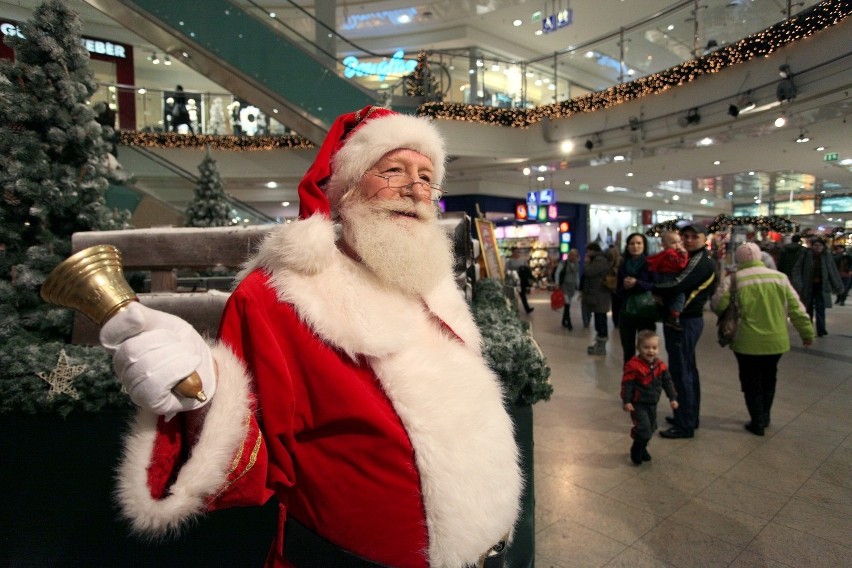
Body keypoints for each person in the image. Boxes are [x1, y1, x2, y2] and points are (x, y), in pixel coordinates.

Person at [98, 106, 522, 567]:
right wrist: (198, 392)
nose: (415, 188)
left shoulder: (431, 289)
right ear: (345, 190)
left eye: (426, 175)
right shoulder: (281, 296)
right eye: (393, 170)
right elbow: (248, 450)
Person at [711, 243, 814, 436]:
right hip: (776, 341)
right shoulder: (780, 278)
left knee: (751, 381)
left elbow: (717, 305)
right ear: (760, 257)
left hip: (746, 342)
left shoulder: (733, 280)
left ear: (739, 259)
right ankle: (765, 416)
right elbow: (797, 310)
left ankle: (757, 422)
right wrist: (807, 333)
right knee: (769, 377)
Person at [655, 220, 717, 439]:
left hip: (686, 321)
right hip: (686, 320)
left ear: (704, 239)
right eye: (686, 236)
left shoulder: (701, 262)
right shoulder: (693, 257)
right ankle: (687, 415)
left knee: (682, 373)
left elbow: (677, 285)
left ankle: (685, 424)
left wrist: (650, 288)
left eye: (694, 237)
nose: (689, 240)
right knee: (687, 370)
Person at [621, 330, 678, 464]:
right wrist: (627, 401)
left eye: (654, 348)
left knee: (651, 428)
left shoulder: (660, 366)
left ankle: (643, 448)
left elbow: (668, 382)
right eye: (646, 347)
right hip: (638, 403)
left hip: (652, 403)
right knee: (644, 428)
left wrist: (673, 398)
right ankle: (636, 448)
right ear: (638, 348)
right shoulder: (633, 365)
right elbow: (627, 384)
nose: (650, 351)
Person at [616, 233, 656, 365]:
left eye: (639, 243)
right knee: (627, 348)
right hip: (627, 311)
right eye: (632, 243)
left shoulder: (650, 264)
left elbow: (654, 285)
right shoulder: (623, 265)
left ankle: (646, 376)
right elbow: (618, 290)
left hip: (645, 310)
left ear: (644, 245)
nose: (635, 246)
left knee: (647, 346)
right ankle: (630, 376)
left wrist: (637, 282)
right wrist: (626, 286)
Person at [790, 237, 843, 337]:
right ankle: (809, 328)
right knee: (808, 308)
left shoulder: (826, 256)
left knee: (820, 308)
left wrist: (837, 286)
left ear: (823, 247)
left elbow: (832, 271)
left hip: (821, 286)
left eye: (820, 245)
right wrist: (798, 283)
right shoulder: (806, 255)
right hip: (808, 286)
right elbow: (797, 269)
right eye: (815, 245)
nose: (817, 247)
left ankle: (821, 329)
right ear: (812, 246)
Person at [646, 230, 689, 330]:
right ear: (664, 244)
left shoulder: (664, 253)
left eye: (679, 242)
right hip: (670, 277)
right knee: (679, 295)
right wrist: (684, 254)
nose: (677, 245)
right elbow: (681, 264)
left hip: (662, 277)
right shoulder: (671, 254)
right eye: (673, 243)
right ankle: (674, 316)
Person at [581, 242, 612, 355]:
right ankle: (599, 344)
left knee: (601, 321)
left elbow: (588, 272)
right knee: (598, 320)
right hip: (597, 294)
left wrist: (587, 263)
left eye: (588, 251)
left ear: (593, 250)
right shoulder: (599, 259)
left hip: (600, 295)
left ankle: (601, 346)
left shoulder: (599, 260)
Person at [554, 249, 580, 329]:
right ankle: (569, 322)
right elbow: (557, 273)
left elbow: (576, 275)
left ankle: (564, 320)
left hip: (571, 287)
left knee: (567, 304)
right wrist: (557, 283)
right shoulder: (563, 263)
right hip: (564, 286)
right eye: (572, 255)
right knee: (567, 303)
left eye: (575, 255)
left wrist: (578, 285)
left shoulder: (576, 265)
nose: (573, 257)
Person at [506, 249, 534, 313]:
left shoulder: (522, 260)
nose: (516, 253)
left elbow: (528, 268)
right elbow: (506, 270)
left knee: (523, 295)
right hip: (513, 280)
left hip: (522, 280)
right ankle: (512, 309)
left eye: (517, 252)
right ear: (512, 253)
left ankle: (527, 309)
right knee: (512, 295)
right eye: (515, 252)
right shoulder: (509, 261)